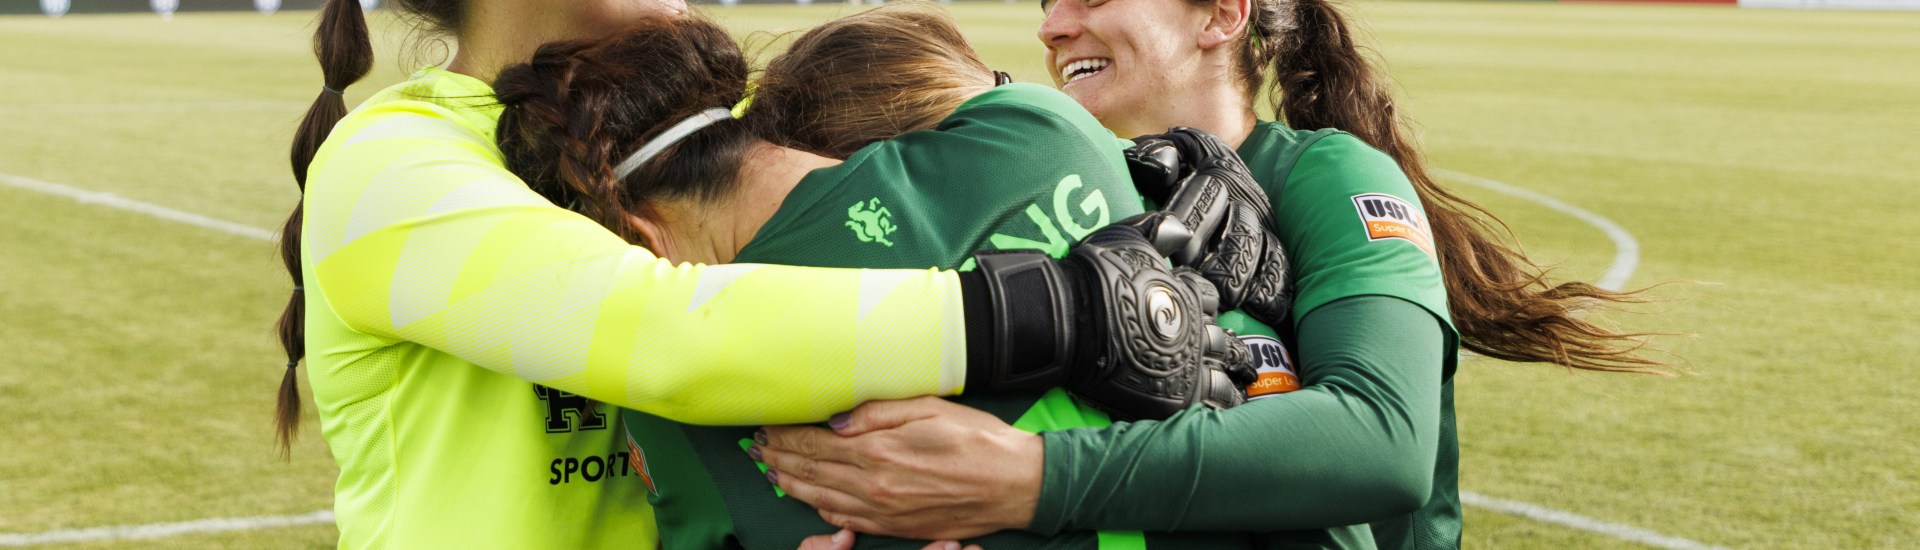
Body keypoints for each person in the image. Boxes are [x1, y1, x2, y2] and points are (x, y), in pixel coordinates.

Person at [272, 0, 1254, 547]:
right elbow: (674, 336)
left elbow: (970, 170)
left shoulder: (723, 106)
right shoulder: (390, 164)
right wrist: (1069, 307)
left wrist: (1171, 171)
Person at [757, 0, 1668, 547]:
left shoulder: (1326, 173)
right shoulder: (1056, 191)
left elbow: (1381, 441)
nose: (1051, 23)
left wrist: (1030, 479)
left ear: (1222, 15)